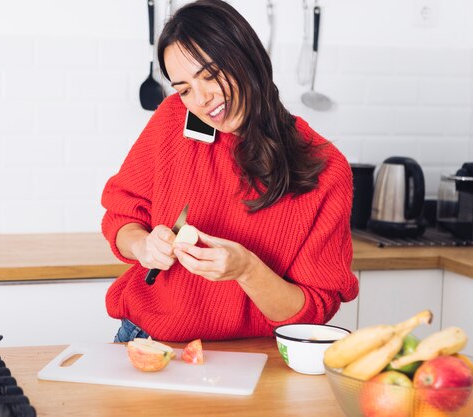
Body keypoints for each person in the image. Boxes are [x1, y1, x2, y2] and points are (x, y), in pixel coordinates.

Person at [101, 0, 358, 343]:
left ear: (247, 58)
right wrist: (143, 245)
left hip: (257, 359)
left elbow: (313, 310)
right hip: (147, 341)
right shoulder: (174, 119)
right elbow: (121, 215)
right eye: (185, 89)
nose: (202, 99)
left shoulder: (326, 169)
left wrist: (247, 270)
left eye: (210, 75)